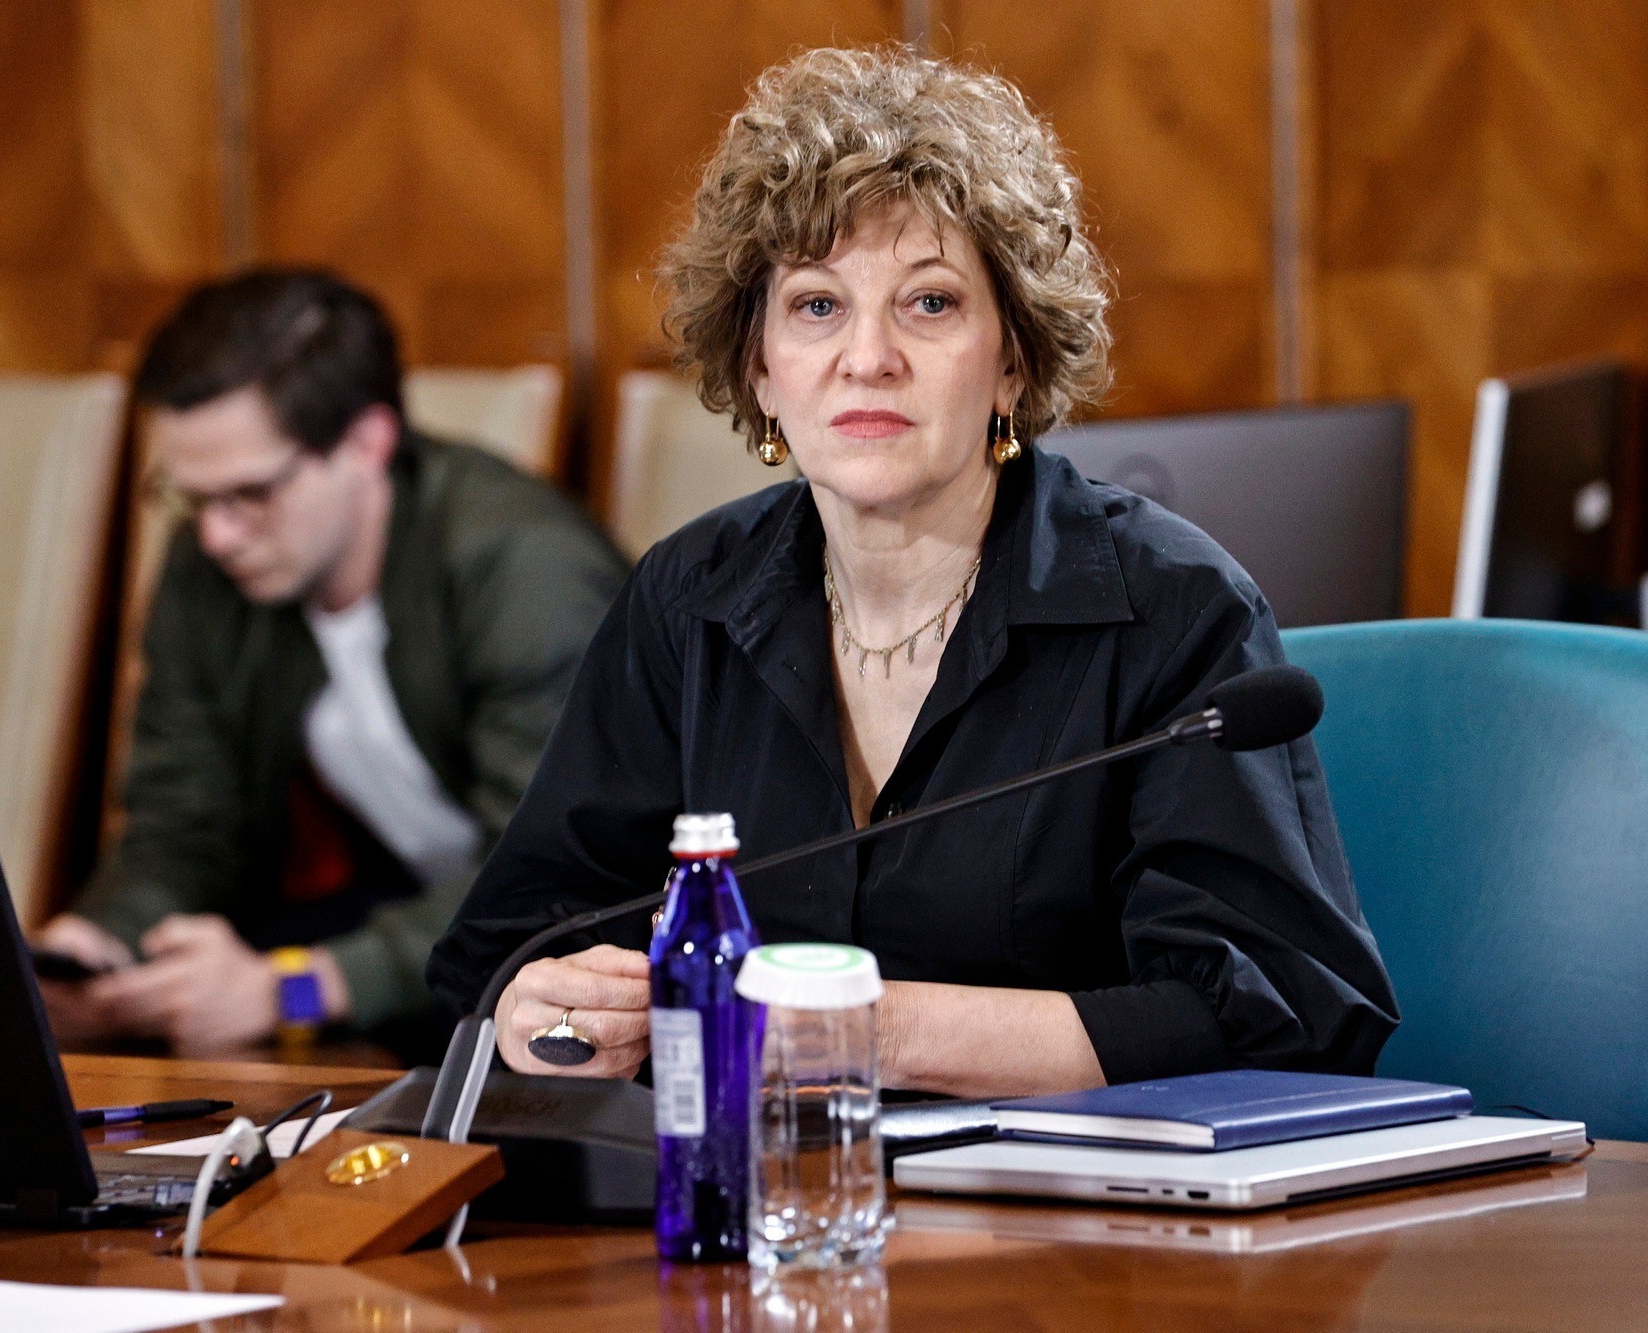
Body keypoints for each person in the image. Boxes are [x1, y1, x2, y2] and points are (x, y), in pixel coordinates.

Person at [427, 47, 1397, 1097]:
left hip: (1080, 1197)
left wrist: (872, 1032)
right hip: (754, 1185)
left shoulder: (1171, 609)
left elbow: (1278, 1013)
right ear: (759, 368)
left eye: (928, 303)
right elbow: (511, 945)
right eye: (816, 306)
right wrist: (542, 1004)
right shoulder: (686, 602)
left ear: (1013, 357)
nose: (868, 356)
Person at [36, 269, 628, 1059]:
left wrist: (291, 988)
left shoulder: (528, 568)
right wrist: (98, 944)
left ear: (367, 442)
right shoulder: (211, 566)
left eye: (250, 493)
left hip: (589, 954)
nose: (216, 535)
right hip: (412, 918)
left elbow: (557, 873)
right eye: (191, 497)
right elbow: (184, 817)